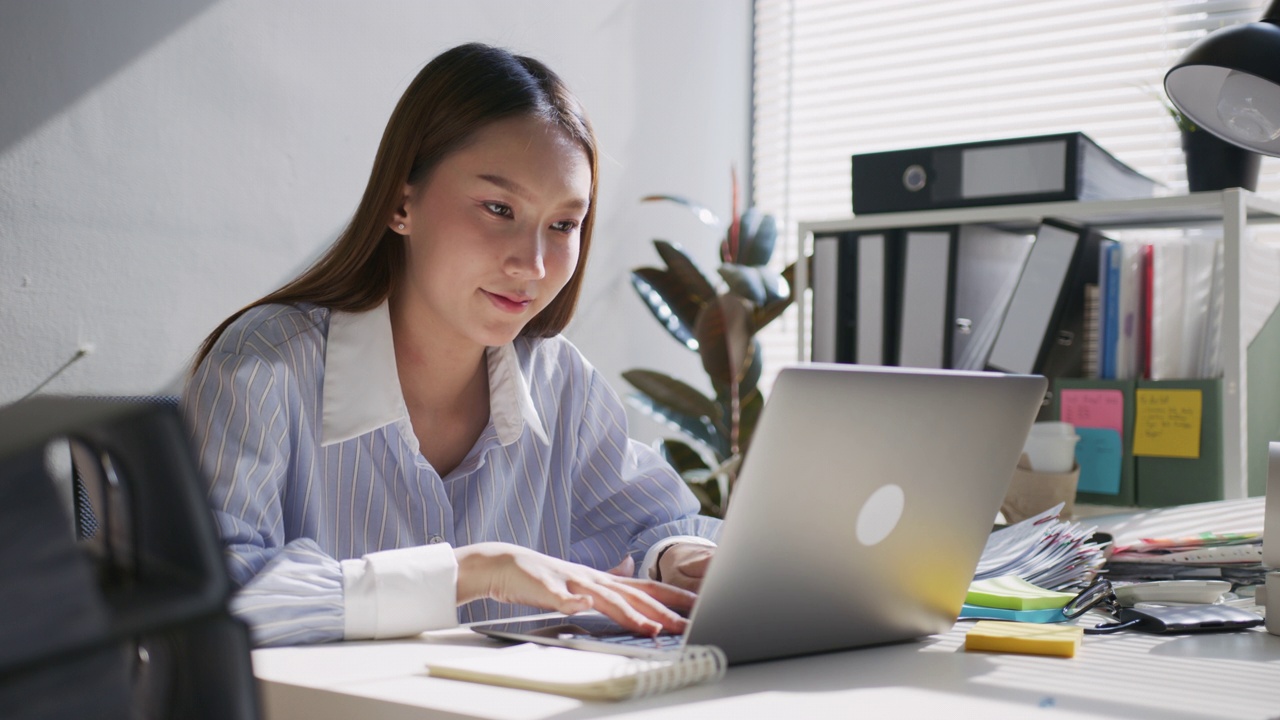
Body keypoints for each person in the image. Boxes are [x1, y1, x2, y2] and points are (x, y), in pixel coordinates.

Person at [182, 42, 720, 647]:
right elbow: (209, 600)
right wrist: (468, 572)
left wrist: (679, 556)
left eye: (564, 224)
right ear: (399, 202)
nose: (533, 264)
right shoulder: (264, 367)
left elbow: (663, 522)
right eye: (498, 208)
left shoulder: (559, 380)